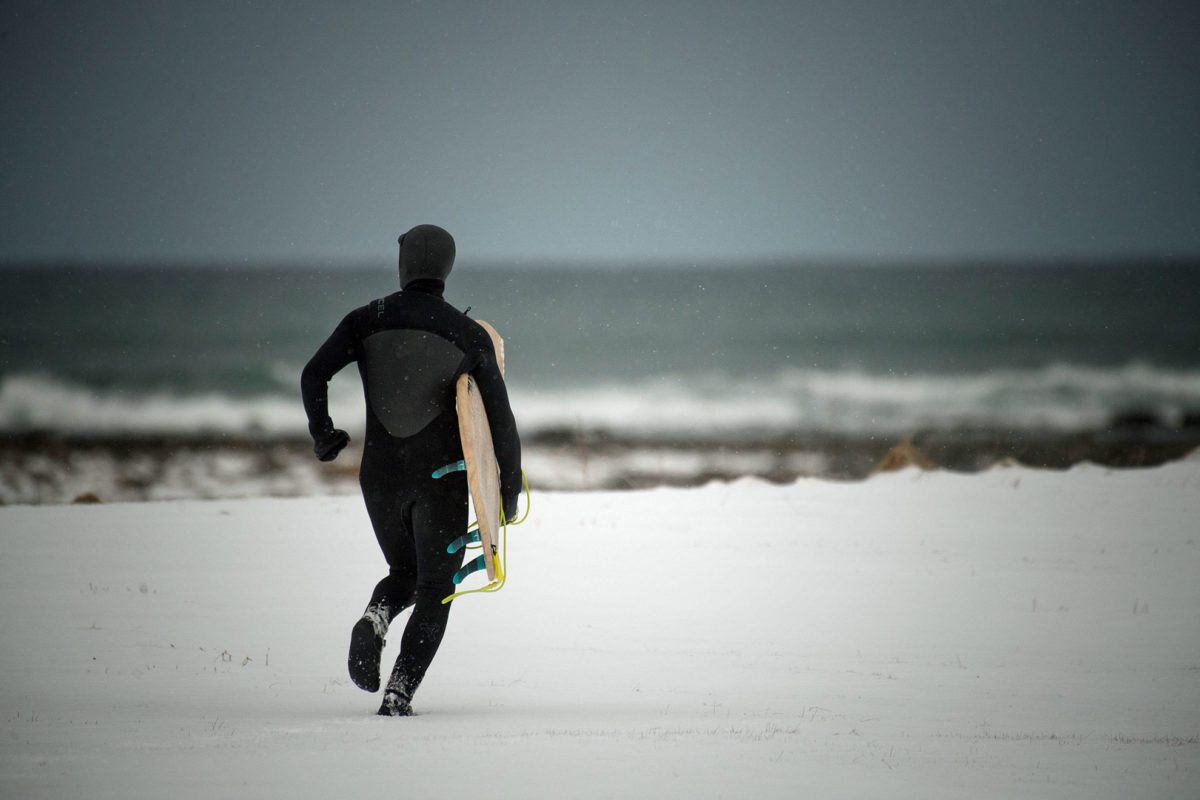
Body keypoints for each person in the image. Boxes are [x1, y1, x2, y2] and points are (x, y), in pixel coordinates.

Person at [300, 224, 522, 716]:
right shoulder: (466, 333)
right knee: (434, 588)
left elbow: (313, 372)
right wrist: (507, 487)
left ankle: (376, 617)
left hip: (378, 475)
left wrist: (324, 433)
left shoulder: (364, 320)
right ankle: (398, 694)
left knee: (403, 571)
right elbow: (500, 419)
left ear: (404, 265)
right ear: (447, 268)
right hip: (439, 480)